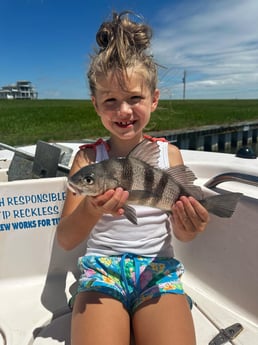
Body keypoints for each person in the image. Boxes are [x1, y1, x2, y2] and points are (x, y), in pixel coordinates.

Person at [56, 11, 209, 345]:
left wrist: (188, 227)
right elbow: (66, 240)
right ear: (95, 105)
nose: (123, 111)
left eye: (135, 98)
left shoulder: (170, 156)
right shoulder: (87, 160)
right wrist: (92, 209)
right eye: (110, 100)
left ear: (153, 100)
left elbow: (181, 235)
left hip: (158, 270)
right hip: (101, 273)